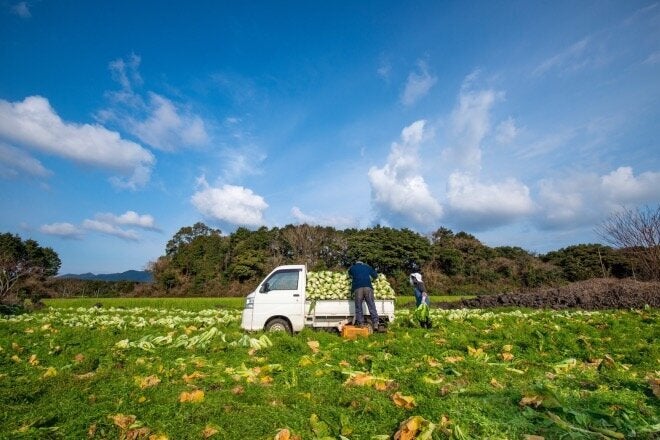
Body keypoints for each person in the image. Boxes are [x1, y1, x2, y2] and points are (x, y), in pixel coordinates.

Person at [348, 260, 380, 332]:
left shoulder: (352, 268)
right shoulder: (367, 267)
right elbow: (375, 275)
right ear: (362, 263)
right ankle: (375, 323)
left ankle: (361, 323)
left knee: (358, 306)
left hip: (358, 288)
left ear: (356, 263)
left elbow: (349, 274)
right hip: (368, 288)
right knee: (371, 305)